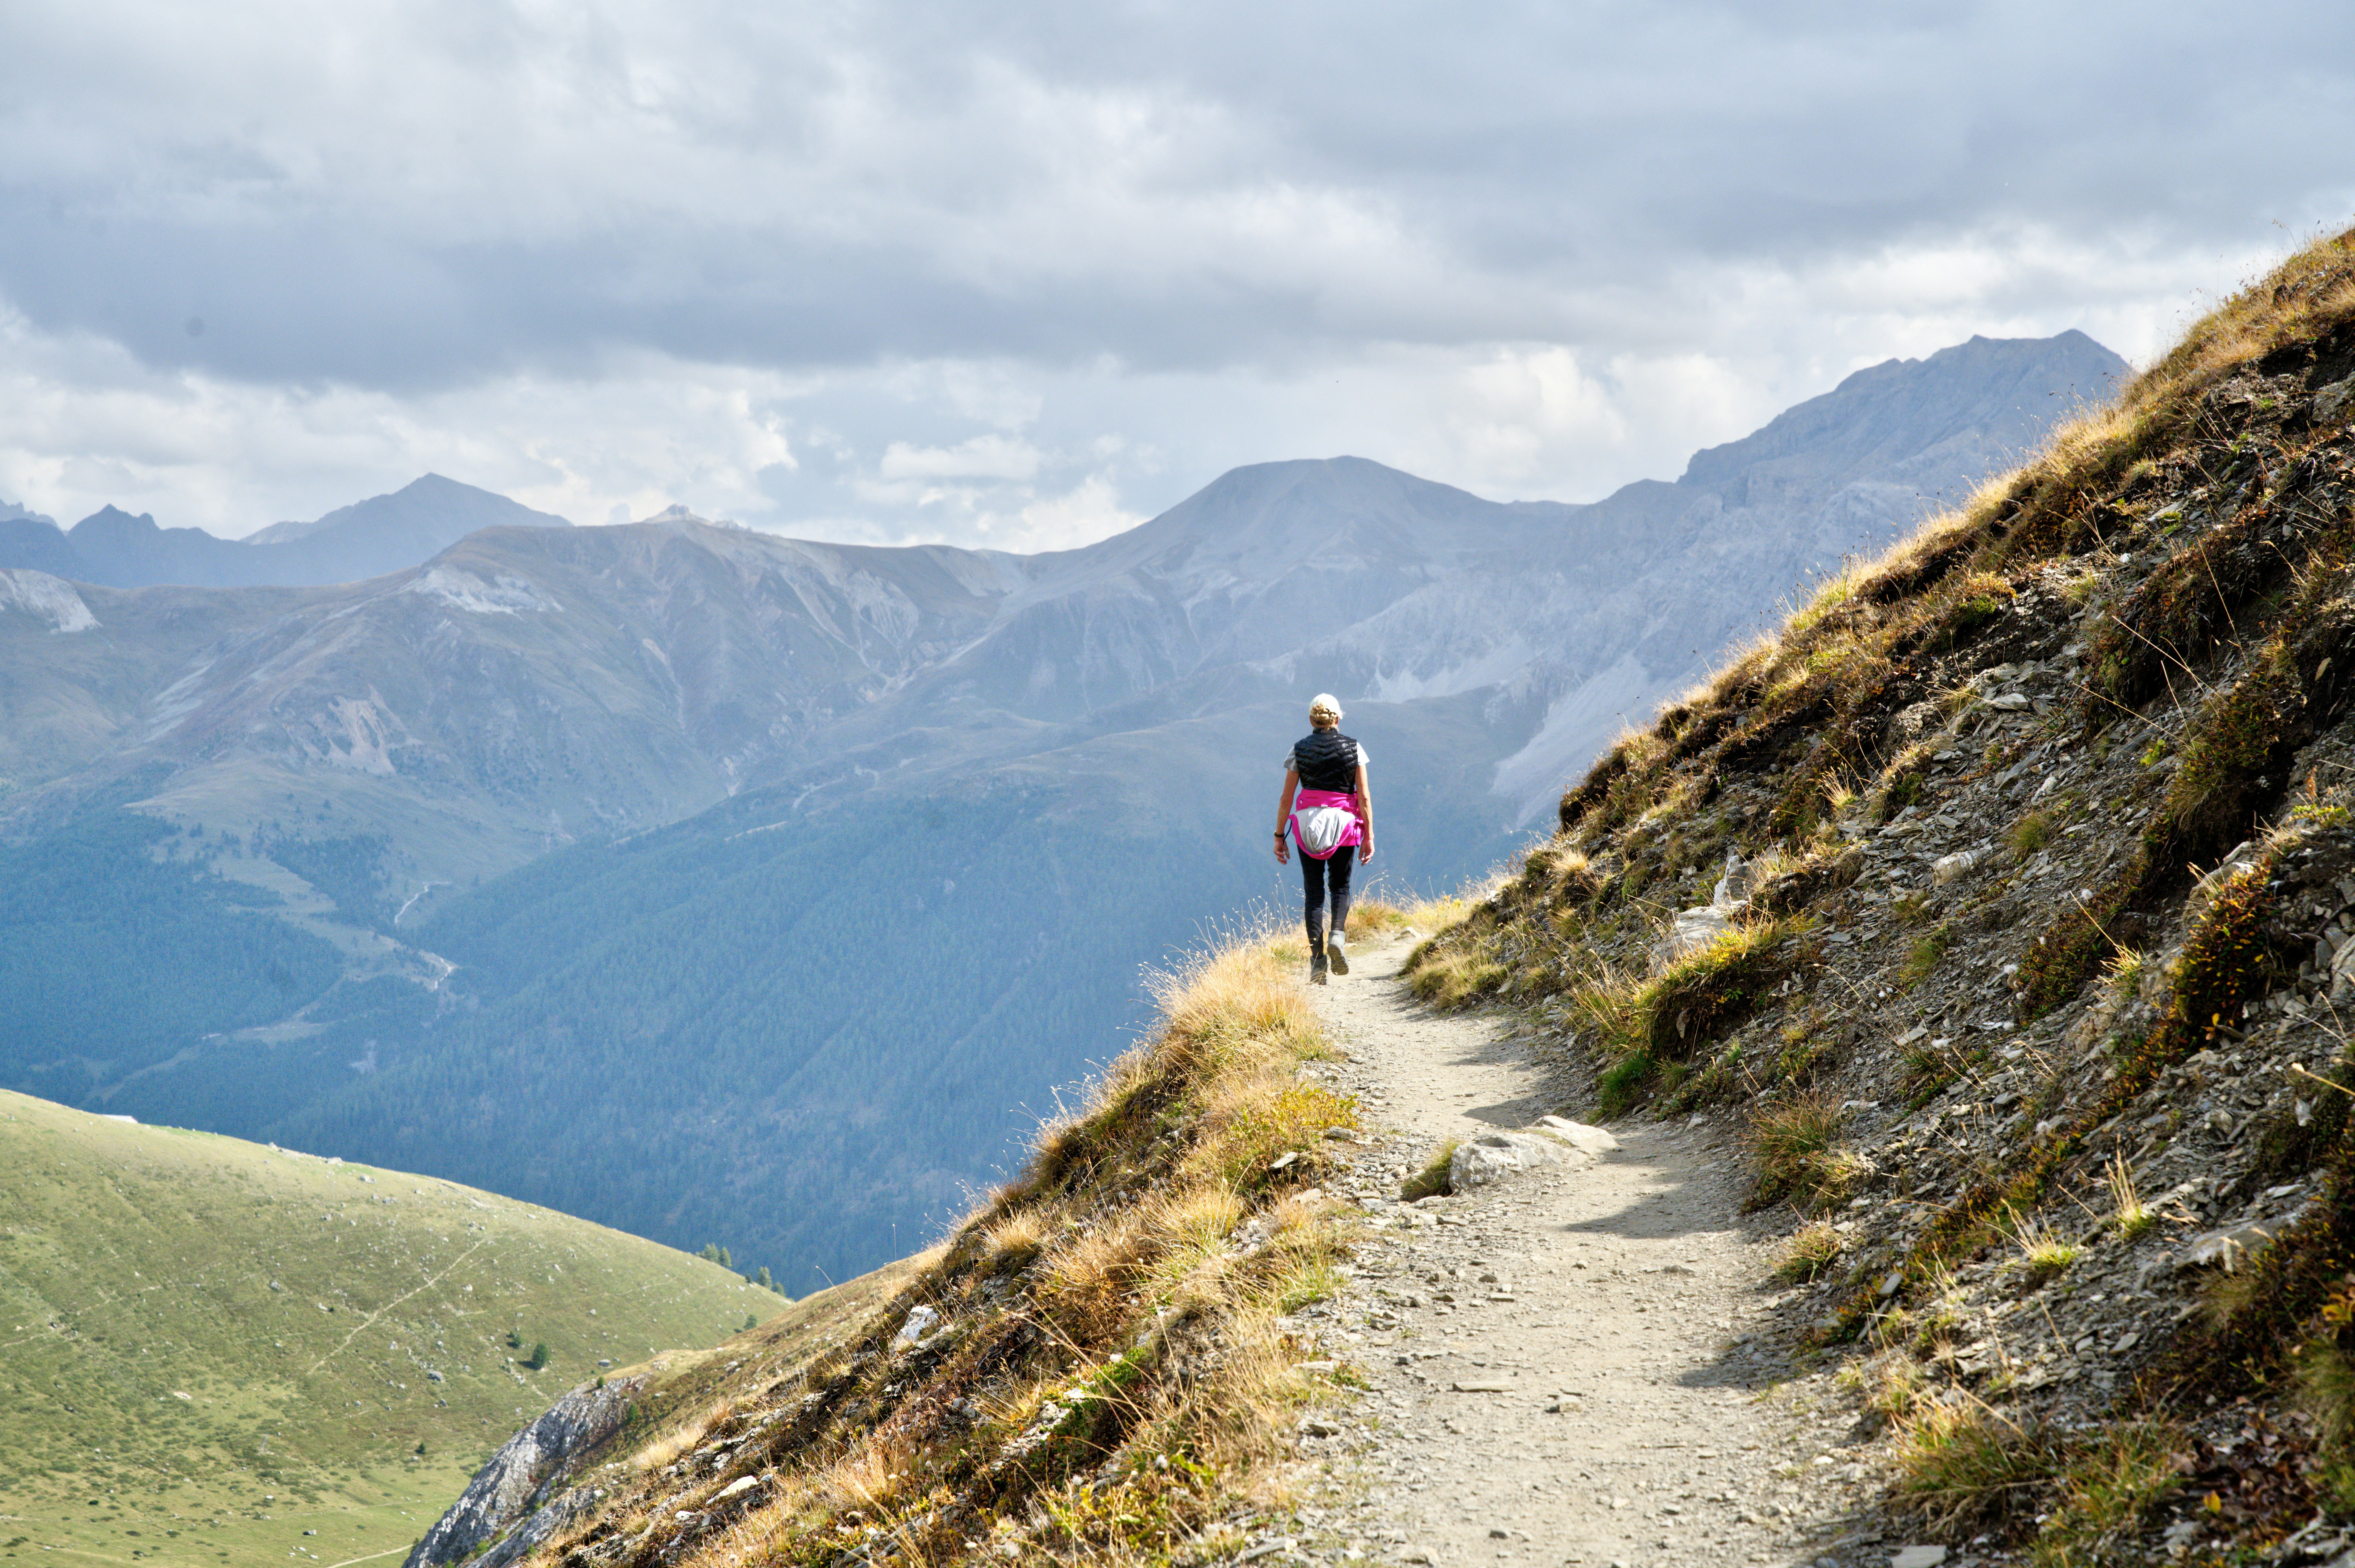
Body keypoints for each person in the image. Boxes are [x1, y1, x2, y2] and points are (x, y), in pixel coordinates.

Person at [1273, 693, 1374, 984]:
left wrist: (1280, 836)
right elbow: (1364, 796)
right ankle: (1338, 937)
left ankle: (1317, 963)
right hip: (1344, 822)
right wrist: (1369, 835)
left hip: (1307, 825)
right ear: (1338, 719)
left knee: (1314, 893)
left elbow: (1285, 799)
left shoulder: (1298, 750)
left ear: (1311, 721)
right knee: (1340, 886)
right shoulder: (1354, 749)